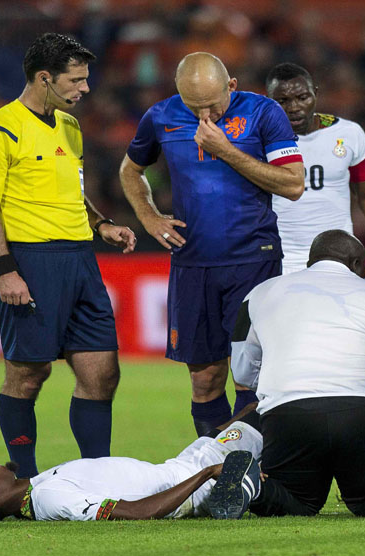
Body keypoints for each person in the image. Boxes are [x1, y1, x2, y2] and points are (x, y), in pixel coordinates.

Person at [0, 33, 136, 479]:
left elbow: (74, 194)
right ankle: (22, 479)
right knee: (28, 374)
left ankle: (98, 476)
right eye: (76, 80)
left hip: (81, 259)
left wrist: (102, 225)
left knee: (102, 373)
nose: (85, 89)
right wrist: (6, 271)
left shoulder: (69, 126)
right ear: (45, 78)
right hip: (30, 261)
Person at [119, 52, 304, 436]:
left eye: (213, 105)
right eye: (195, 107)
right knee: (204, 378)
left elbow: (293, 184)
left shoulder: (264, 112)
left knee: (249, 375)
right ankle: (212, 471)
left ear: (231, 86)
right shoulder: (160, 117)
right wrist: (149, 215)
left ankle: (252, 472)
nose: (205, 115)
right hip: (192, 262)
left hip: (253, 259)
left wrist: (226, 150)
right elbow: (130, 170)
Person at [219, 229, 365, 518]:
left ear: (310, 261)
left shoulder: (260, 293)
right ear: (358, 265)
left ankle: (253, 486)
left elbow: (243, 372)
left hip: (290, 413)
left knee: (296, 501)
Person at [0, 416, 262, 521]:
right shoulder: (51, 497)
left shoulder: (38, 485)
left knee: (251, 415)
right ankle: (252, 486)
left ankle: (257, 478)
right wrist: (208, 474)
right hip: (197, 481)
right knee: (274, 414)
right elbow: (137, 513)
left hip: (182, 464)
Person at [265, 63, 365, 273]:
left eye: (302, 97)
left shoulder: (348, 134)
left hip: (339, 259)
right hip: (280, 260)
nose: (294, 107)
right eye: (283, 101)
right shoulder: (259, 141)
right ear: (269, 101)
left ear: (315, 94)